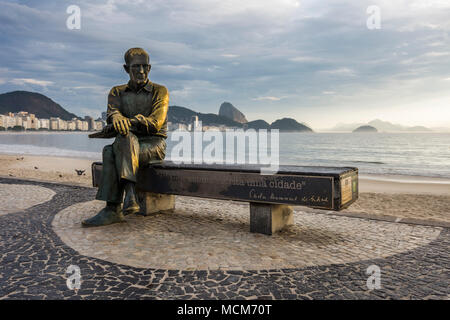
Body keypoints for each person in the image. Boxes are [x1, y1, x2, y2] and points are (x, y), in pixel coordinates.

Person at [82, 47, 168, 227]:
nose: (141, 71)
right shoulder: (116, 92)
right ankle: (126, 197)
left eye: (145, 67)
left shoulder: (160, 91)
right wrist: (117, 119)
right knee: (114, 146)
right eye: (136, 67)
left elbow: (156, 124)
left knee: (114, 147)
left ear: (150, 68)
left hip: (153, 145)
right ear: (126, 68)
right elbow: (112, 114)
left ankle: (113, 208)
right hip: (127, 145)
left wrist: (127, 122)